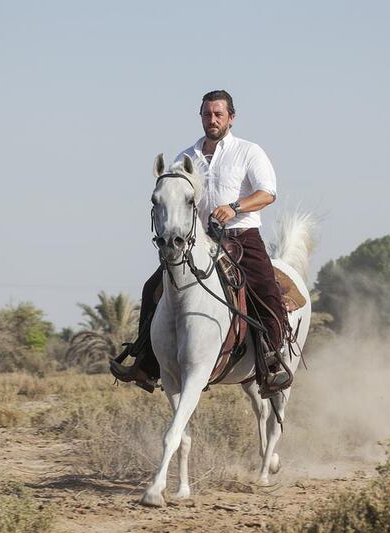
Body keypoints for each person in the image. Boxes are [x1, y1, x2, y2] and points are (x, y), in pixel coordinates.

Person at [110, 89, 290, 396]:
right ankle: (146, 362)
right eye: (207, 114)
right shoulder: (186, 157)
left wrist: (235, 208)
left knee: (266, 291)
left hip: (242, 237)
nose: (213, 119)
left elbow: (268, 193)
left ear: (231, 118)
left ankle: (271, 364)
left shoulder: (249, 152)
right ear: (201, 117)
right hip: (199, 241)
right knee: (153, 288)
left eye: (219, 114)